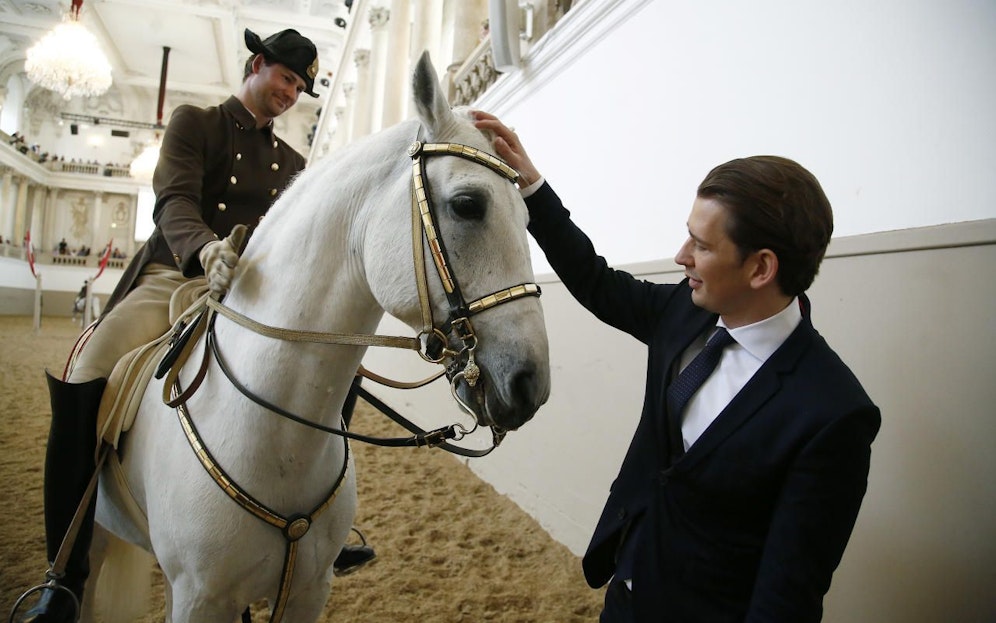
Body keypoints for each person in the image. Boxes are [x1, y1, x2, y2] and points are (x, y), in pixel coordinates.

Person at [21, 28, 373, 623]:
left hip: (251, 293)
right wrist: (205, 249)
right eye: (286, 78)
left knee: (336, 367)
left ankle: (322, 520)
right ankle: (64, 575)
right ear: (257, 65)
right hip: (173, 274)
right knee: (86, 366)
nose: (292, 93)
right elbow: (173, 199)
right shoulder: (196, 123)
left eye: (301, 87)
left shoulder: (293, 163)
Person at [473, 111, 881, 622]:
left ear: (761, 268)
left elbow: (788, 592)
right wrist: (533, 188)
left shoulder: (832, 414)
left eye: (702, 245)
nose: (681, 255)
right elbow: (596, 281)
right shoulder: (684, 313)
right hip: (625, 595)